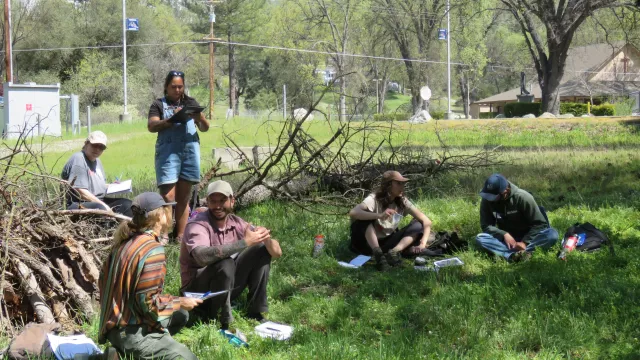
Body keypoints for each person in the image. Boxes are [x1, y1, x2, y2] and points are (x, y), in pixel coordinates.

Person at [98, 192, 202, 360]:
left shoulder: (122, 243)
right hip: (131, 334)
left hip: (113, 329)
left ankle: (119, 353)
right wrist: (180, 301)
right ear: (160, 215)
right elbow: (148, 304)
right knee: (188, 358)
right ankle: (134, 350)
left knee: (182, 314)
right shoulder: (153, 250)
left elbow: (102, 281)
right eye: (167, 210)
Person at [179, 180, 282, 329]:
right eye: (213, 201)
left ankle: (256, 312)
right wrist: (244, 243)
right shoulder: (197, 225)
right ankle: (223, 320)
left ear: (232, 201)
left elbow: (277, 253)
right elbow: (202, 257)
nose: (218, 206)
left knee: (260, 248)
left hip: (223, 287)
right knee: (225, 262)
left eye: (222, 200)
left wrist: (266, 239)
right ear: (207, 202)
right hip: (196, 295)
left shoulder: (236, 222)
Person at [148, 70, 210, 242]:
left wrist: (199, 117)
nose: (177, 90)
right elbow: (152, 126)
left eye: (180, 86)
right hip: (168, 153)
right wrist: (170, 121)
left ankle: (181, 236)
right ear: (166, 87)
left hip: (189, 152)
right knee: (167, 196)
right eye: (173, 87)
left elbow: (205, 128)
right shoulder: (158, 104)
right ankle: (164, 234)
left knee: (184, 197)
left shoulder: (191, 102)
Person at [348, 170, 433, 271]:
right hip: (366, 244)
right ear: (388, 185)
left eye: (403, 183)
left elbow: (426, 221)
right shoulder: (374, 198)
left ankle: (393, 253)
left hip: (387, 243)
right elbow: (353, 212)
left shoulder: (402, 200)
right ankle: (378, 255)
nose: (402, 186)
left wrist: (422, 244)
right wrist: (379, 215)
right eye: (398, 183)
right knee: (362, 219)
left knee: (417, 224)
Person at [475, 173, 558, 263]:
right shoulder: (487, 200)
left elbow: (540, 224)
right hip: (508, 241)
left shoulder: (523, 197)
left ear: (505, 191)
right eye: (488, 196)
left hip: (530, 237)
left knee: (552, 234)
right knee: (481, 238)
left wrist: (524, 242)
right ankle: (513, 255)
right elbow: (486, 225)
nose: (490, 199)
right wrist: (504, 234)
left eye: (494, 197)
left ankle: (520, 252)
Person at [61, 131, 132, 217]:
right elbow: (80, 190)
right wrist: (104, 205)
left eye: (101, 147)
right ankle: (107, 229)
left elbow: (96, 185)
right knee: (100, 208)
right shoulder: (79, 159)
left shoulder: (97, 161)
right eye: (94, 145)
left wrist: (112, 186)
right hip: (78, 203)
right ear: (86, 143)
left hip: (98, 201)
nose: (97, 149)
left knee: (127, 204)